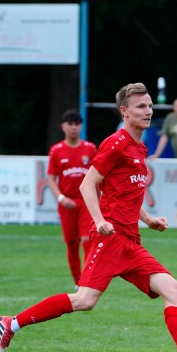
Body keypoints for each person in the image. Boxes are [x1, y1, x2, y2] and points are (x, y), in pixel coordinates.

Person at [0, 83, 177, 352]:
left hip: (130, 241)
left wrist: (148, 218)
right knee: (85, 300)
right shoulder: (115, 143)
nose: (148, 111)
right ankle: (11, 324)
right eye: (141, 106)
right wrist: (99, 220)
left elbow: (122, 191)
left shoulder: (140, 147)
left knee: (174, 290)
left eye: (150, 105)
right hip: (111, 237)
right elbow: (87, 184)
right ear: (124, 112)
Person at [46, 109, 98, 286]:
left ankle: (88, 279)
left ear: (81, 126)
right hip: (67, 202)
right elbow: (51, 178)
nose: (74, 127)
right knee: (71, 243)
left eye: (77, 124)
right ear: (63, 126)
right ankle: (77, 281)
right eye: (70, 124)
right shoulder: (56, 150)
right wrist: (60, 198)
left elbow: (98, 174)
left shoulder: (90, 148)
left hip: (86, 201)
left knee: (87, 239)